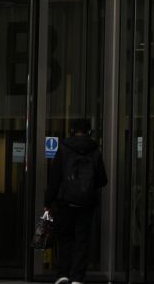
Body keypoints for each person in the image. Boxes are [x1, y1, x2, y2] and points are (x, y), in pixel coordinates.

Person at [44, 118, 108, 284]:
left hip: (65, 202)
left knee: (65, 238)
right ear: (89, 131)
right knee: (82, 239)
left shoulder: (64, 148)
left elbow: (55, 178)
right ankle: (77, 277)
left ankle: (63, 274)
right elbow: (103, 180)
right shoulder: (94, 150)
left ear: (72, 131)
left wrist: (48, 201)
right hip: (86, 203)